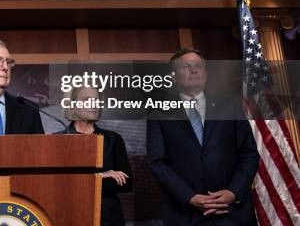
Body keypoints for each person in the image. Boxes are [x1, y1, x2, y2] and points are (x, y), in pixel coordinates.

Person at [147, 48, 259, 225]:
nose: (194, 70)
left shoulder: (230, 107)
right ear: (174, 76)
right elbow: (158, 163)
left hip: (232, 214)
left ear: (205, 73)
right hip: (186, 215)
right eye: (186, 66)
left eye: (198, 65)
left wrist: (233, 192)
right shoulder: (159, 115)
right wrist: (189, 197)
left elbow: (250, 153)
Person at [56, 86, 132, 226]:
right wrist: (101, 176)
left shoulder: (113, 139)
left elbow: (126, 183)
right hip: (71, 215)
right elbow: (58, 183)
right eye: (87, 100)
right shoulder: (57, 140)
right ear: (72, 106)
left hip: (108, 217)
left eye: (96, 100)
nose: (94, 104)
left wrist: (81, 180)